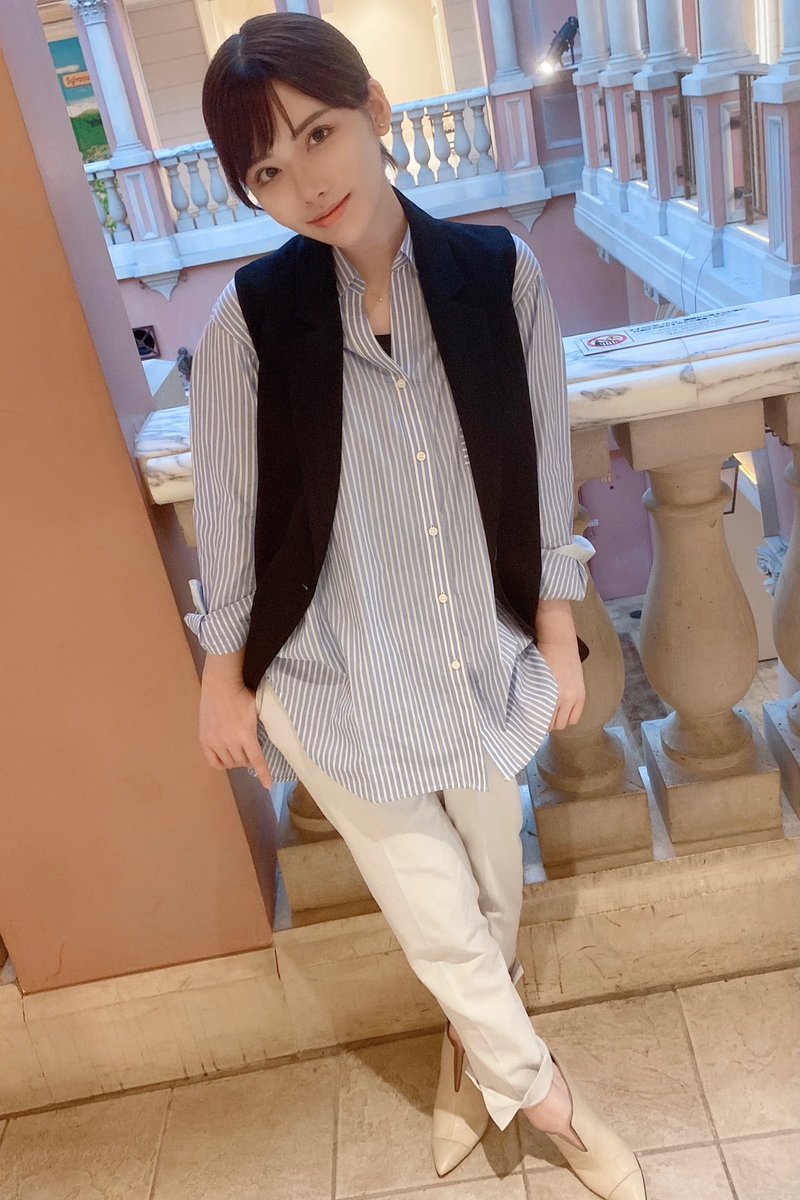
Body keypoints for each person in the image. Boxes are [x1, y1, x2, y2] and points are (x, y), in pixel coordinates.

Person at [185, 12, 646, 1198]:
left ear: (376, 110)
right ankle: (550, 1103)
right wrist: (222, 677)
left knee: (491, 881)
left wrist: (555, 629)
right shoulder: (250, 321)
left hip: (475, 647)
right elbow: (226, 513)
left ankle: (470, 1063)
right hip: (330, 673)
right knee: (435, 908)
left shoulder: (498, 275)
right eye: (266, 171)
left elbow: (541, 461)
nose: (303, 184)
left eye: (318, 135)